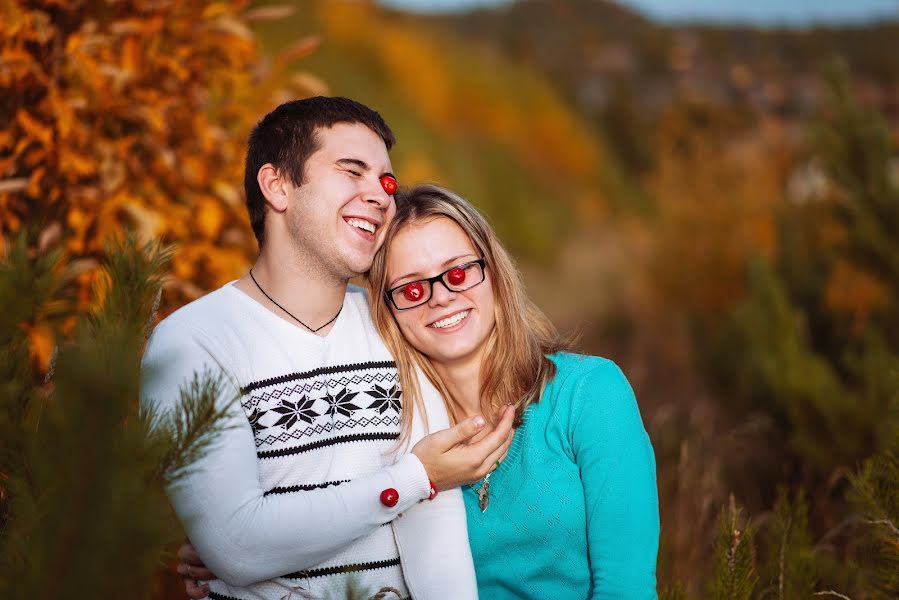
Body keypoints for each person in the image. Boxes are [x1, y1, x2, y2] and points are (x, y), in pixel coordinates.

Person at [141, 98, 513, 600]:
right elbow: (237, 548)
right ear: (276, 186)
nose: (382, 197)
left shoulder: (394, 318)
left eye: (385, 181)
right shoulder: (192, 344)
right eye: (352, 171)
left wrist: (422, 484)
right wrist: (412, 479)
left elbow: (434, 530)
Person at [365, 183, 660, 598]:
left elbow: (626, 589)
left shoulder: (590, 395)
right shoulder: (399, 443)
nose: (442, 297)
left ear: (494, 275)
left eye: (457, 272)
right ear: (388, 310)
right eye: (412, 290)